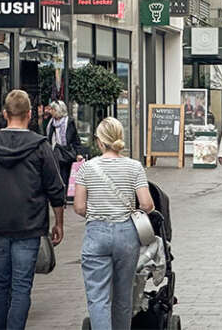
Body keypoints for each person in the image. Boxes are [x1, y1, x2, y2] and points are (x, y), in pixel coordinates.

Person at [0, 89, 65, 330]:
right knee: (21, 286)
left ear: (4, 113)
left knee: (0, 285)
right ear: (30, 114)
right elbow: (56, 189)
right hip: (28, 226)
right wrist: (58, 223)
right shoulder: (40, 146)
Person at [74, 117, 155, 330]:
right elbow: (147, 204)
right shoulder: (134, 167)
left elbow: (79, 207)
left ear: (100, 141)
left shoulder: (87, 168)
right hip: (127, 235)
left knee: (98, 297)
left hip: (97, 233)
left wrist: (97, 211)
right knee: (123, 296)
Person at [44, 100, 85, 194]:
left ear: (58, 110)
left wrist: (79, 153)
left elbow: (75, 138)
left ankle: (63, 197)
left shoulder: (69, 122)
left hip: (66, 153)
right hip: (54, 152)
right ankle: (58, 195)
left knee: (64, 175)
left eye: (53, 109)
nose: (51, 112)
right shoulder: (50, 122)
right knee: (55, 175)